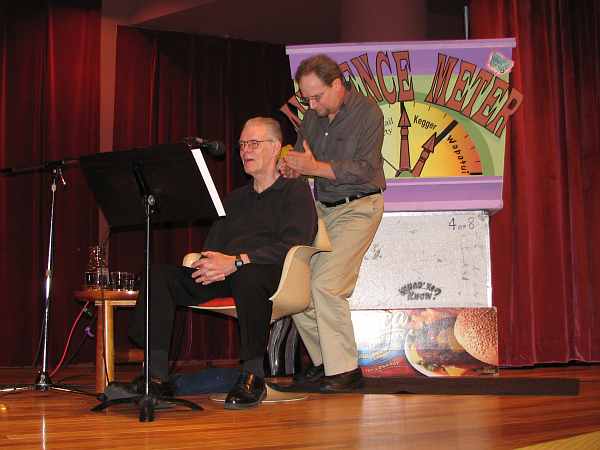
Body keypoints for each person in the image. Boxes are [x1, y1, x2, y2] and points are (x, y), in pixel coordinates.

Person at [129, 117, 318, 409]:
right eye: (242, 144)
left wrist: (239, 262)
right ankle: (155, 377)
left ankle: (253, 376)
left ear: (275, 147)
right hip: (227, 272)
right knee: (159, 276)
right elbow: (214, 246)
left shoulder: (294, 191)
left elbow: (295, 243)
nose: (245, 150)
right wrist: (209, 263)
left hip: (272, 273)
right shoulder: (234, 199)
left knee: (248, 276)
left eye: (254, 143)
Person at [279, 54, 385, 392]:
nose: (311, 104)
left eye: (317, 96)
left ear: (337, 85)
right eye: (306, 97)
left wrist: (314, 168)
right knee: (296, 288)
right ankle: (326, 363)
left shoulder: (368, 113)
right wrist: (291, 166)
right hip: (322, 210)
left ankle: (346, 372)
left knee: (326, 286)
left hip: (359, 207)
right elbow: (302, 158)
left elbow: (366, 169)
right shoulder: (312, 116)